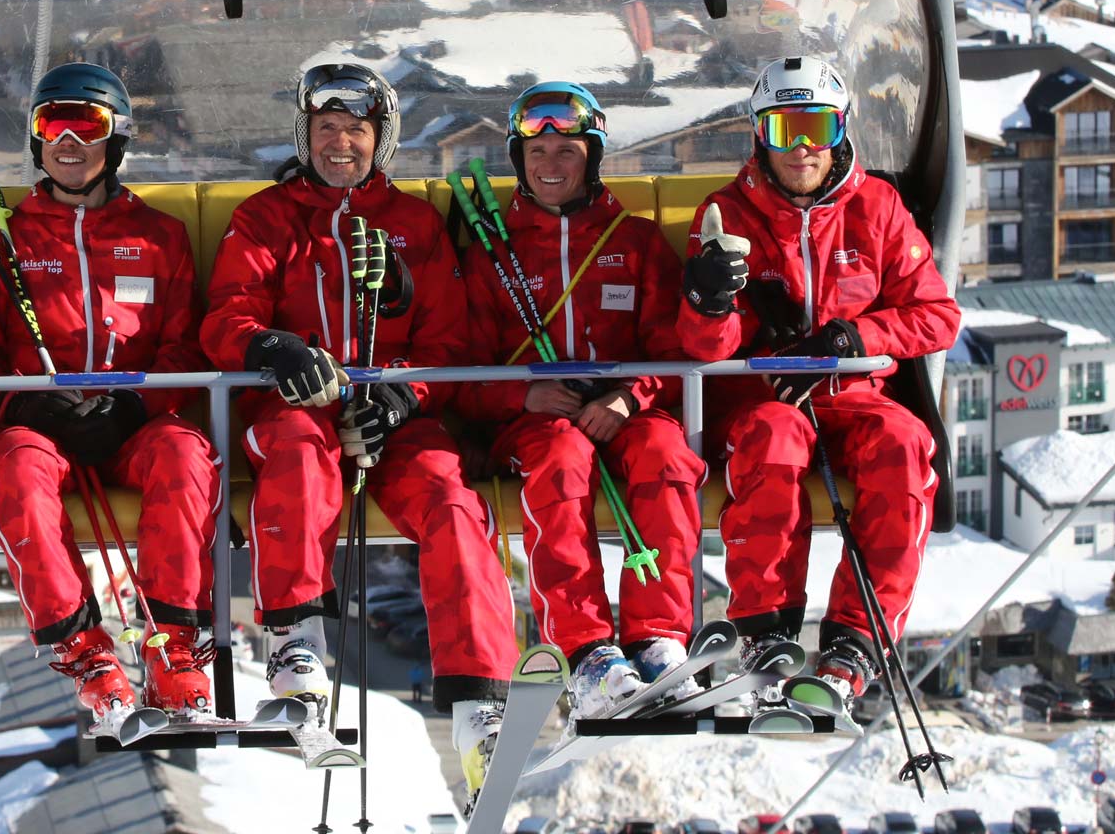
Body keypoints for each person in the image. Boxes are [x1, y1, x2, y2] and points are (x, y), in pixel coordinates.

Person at [200, 61, 518, 801]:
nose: (340, 144)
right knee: (298, 459)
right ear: (305, 136)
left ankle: (480, 704)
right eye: (326, 130)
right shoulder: (267, 218)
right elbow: (226, 316)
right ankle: (297, 644)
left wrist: (402, 397)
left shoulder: (414, 226)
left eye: (355, 130)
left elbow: (450, 345)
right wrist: (269, 348)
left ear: (382, 139)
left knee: (448, 499)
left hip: (392, 424)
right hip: (296, 415)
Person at [678, 56, 960, 714]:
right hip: (768, 398)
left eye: (817, 126)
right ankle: (767, 634)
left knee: (906, 448)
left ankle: (855, 644)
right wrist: (710, 301)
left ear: (839, 130)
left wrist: (856, 339)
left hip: (857, 395)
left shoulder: (877, 208)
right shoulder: (726, 213)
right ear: (759, 134)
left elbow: (936, 316)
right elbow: (700, 347)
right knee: (771, 446)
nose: (802, 146)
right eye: (784, 129)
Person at [0, 64, 219, 729]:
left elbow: (186, 348)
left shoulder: (159, 237)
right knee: (19, 467)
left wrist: (136, 406)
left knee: (184, 455)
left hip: (134, 426)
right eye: (53, 125)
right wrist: (23, 406)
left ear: (117, 140)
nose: (69, 141)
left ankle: (177, 647)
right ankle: (85, 653)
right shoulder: (4, 238)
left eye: (90, 126)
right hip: (39, 429)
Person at [455, 84, 702, 718]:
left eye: (567, 149)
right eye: (536, 152)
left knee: (666, 454)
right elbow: (458, 370)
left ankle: (657, 640)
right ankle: (588, 651)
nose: (551, 165)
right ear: (519, 161)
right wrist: (526, 393)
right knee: (562, 457)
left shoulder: (637, 241)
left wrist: (630, 397)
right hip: (533, 426)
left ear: (590, 155)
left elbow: (675, 351)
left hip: (625, 416)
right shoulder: (491, 253)